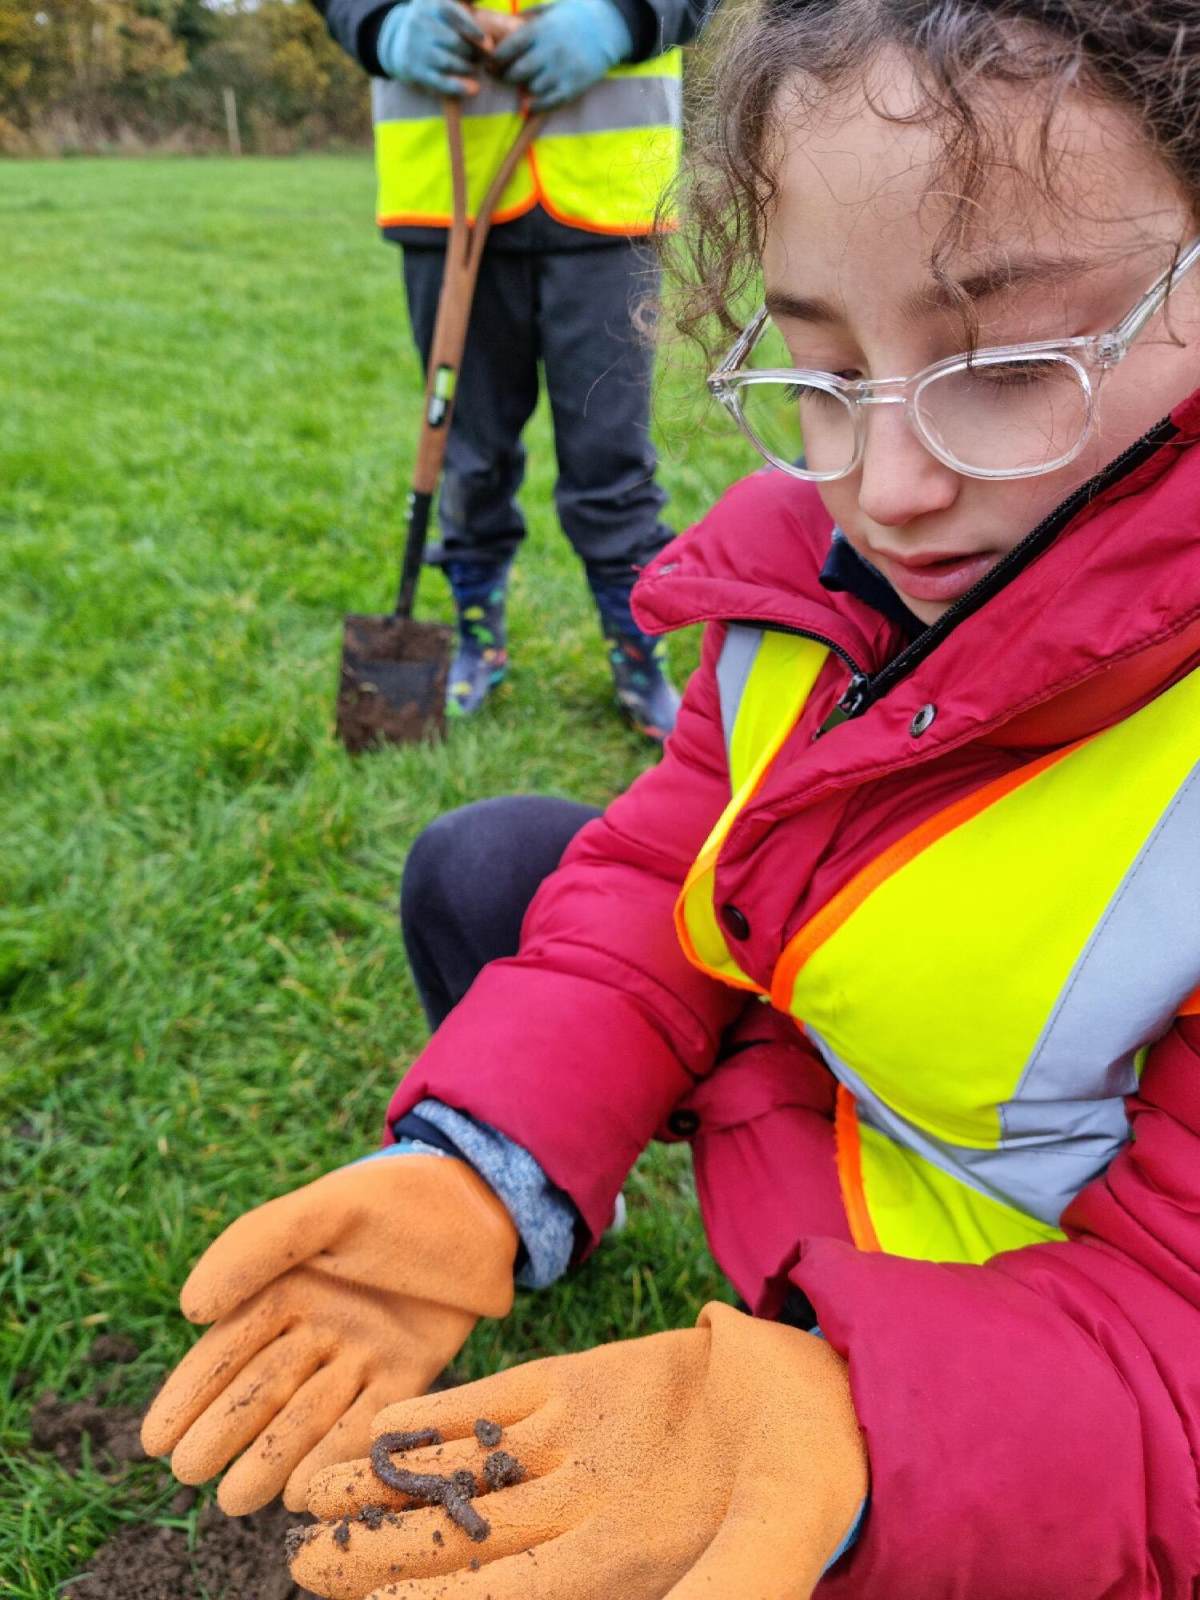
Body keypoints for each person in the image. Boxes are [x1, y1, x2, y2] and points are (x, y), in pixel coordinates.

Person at [144, 0, 1200, 1593]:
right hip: (811, 1128)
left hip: (1037, 1337)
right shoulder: (806, 571)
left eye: (1008, 367)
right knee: (500, 865)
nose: (888, 489)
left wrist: (859, 1436)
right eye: (824, 371)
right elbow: (658, 879)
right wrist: (485, 1161)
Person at [313, 0, 713, 740]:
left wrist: (623, 17)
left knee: (613, 463)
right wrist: (382, 23)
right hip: (445, 188)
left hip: (609, 193)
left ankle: (638, 659)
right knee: (470, 457)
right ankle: (478, 642)